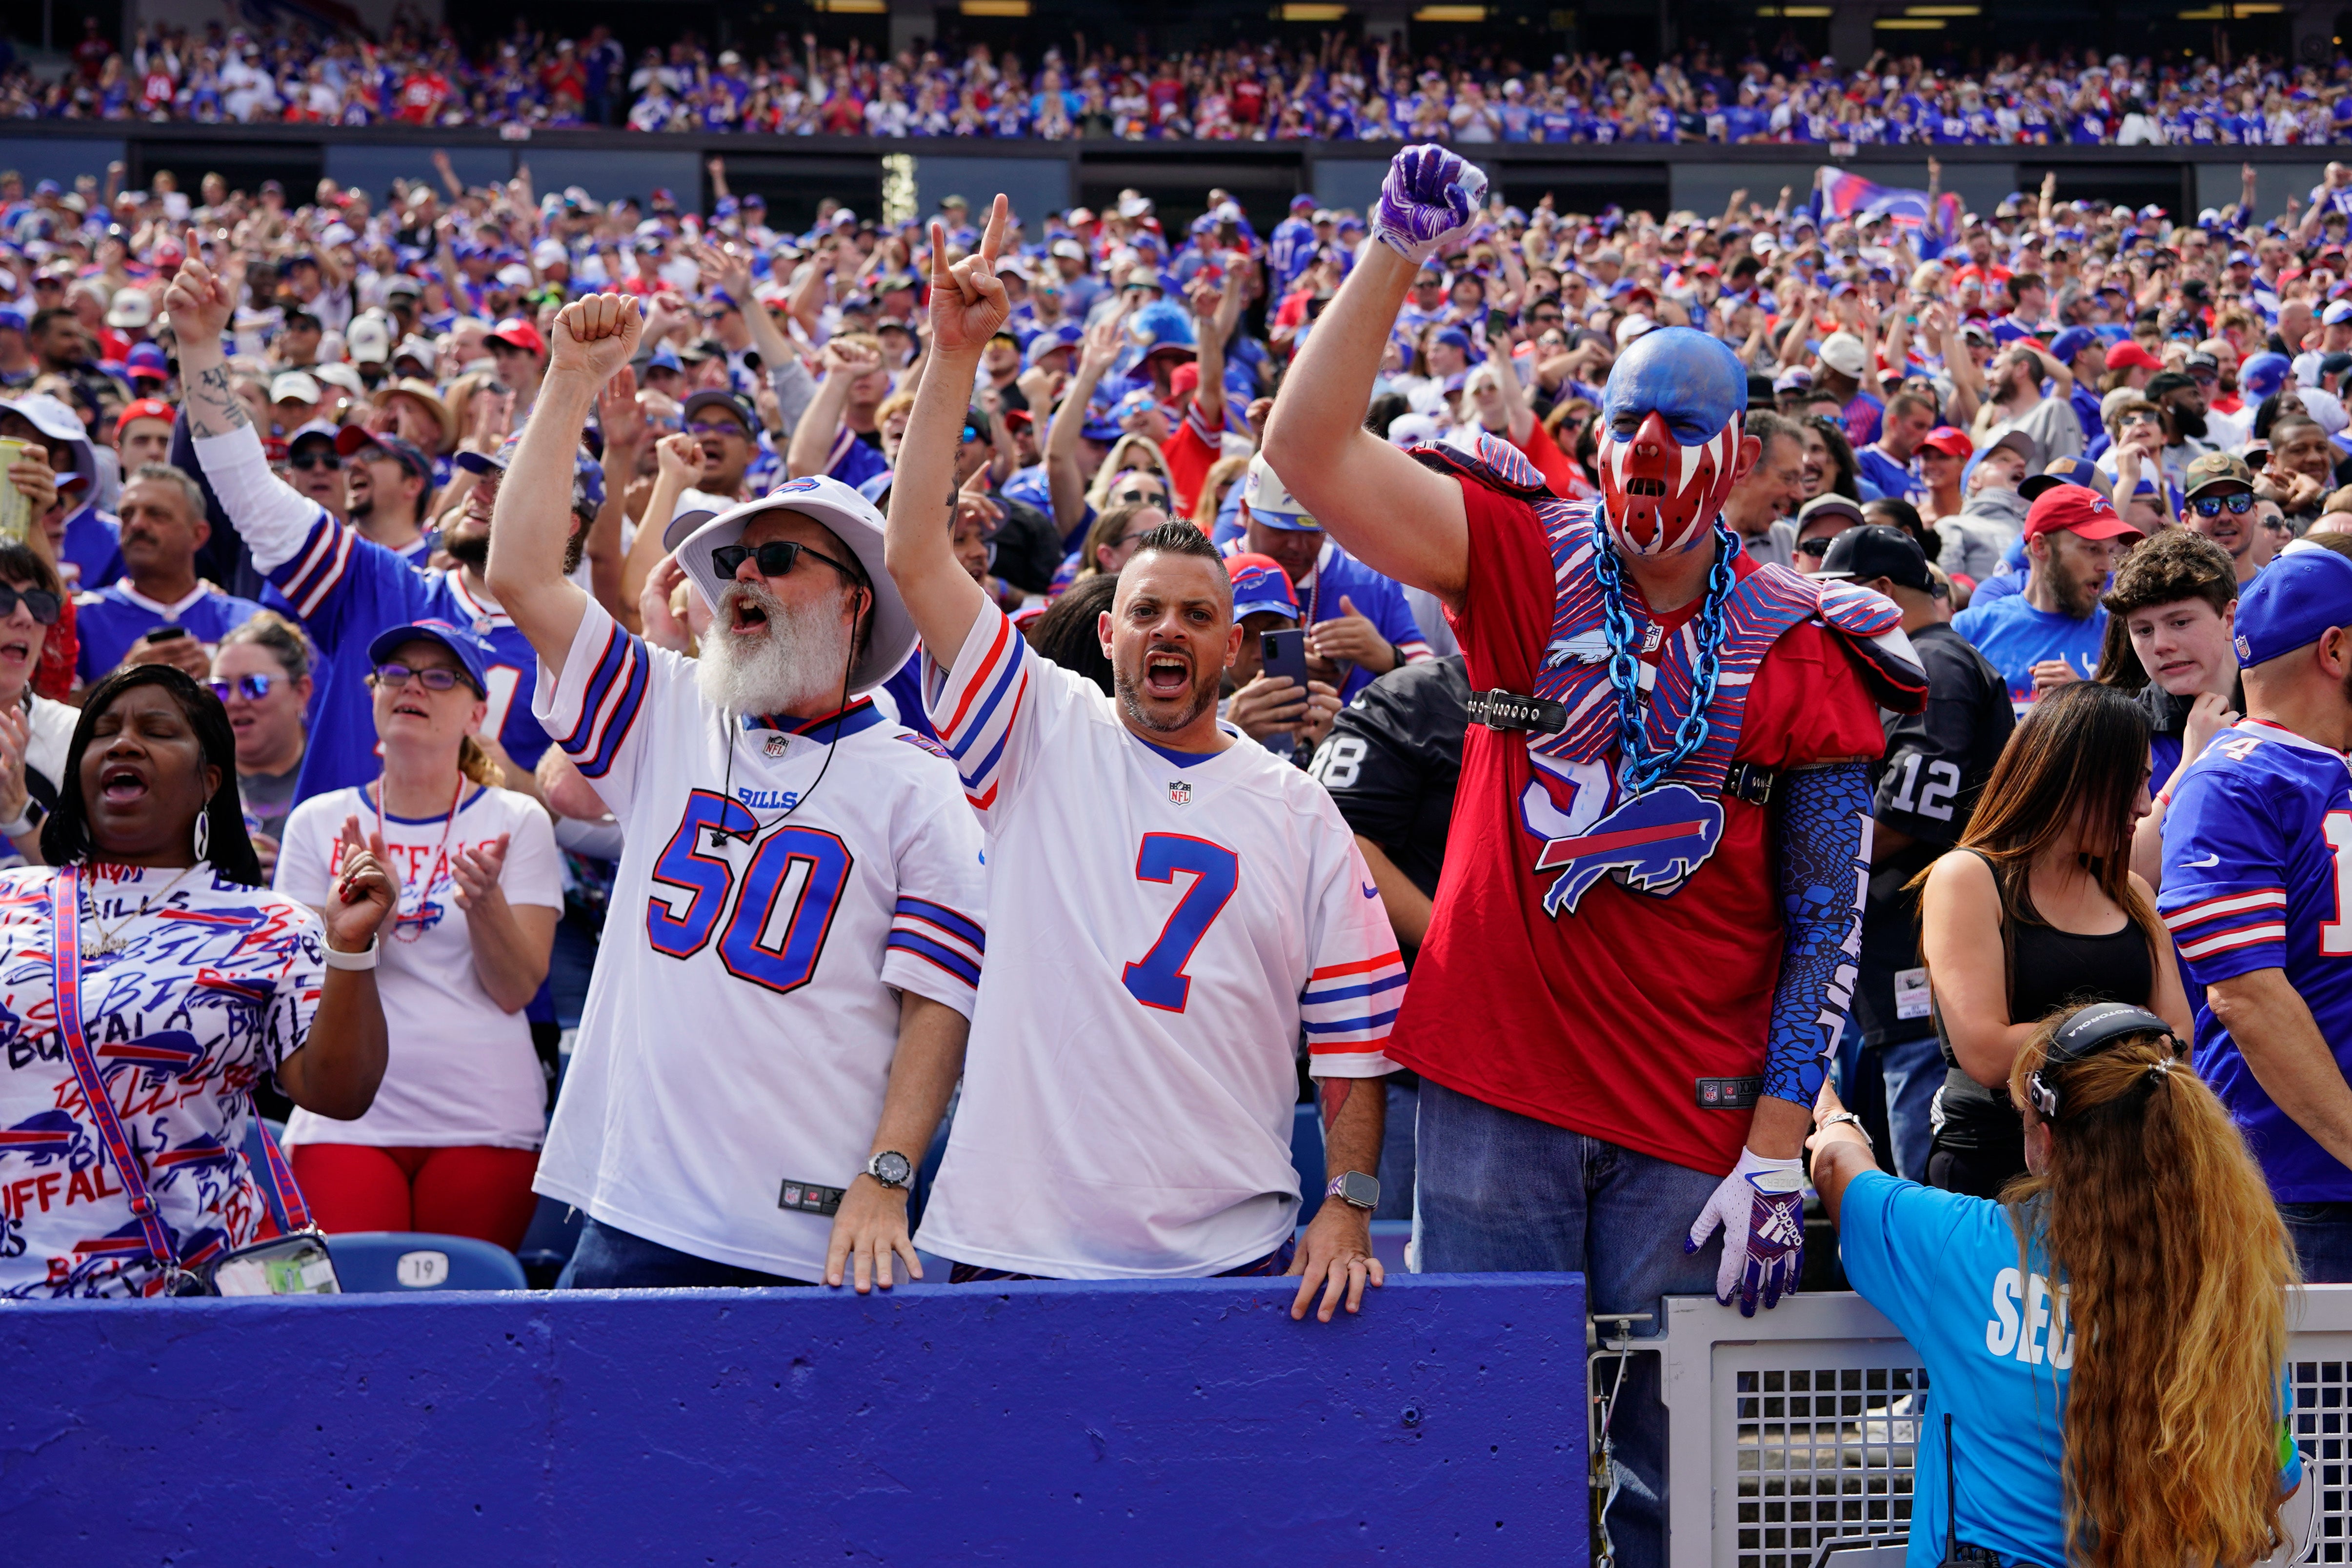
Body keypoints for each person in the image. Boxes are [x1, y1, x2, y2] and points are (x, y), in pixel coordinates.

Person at [1261, 145, 1925, 1566]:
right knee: (1482, 1450)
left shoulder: (1809, 640)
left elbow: (1825, 919)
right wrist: (1393, 251)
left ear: (1738, 456)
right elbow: (1305, 454)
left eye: (1681, 425)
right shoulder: (1519, 554)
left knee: (1674, 1481)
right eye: (1626, 418)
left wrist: (1773, 1146)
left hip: (1687, 1118)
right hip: (1497, 1092)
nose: (1647, 450)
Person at [885, 197, 1401, 1319]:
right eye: (1147, 611)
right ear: (1108, 632)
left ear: (1231, 643)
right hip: (1016, 1240)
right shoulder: (1036, 728)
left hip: (1230, 1253)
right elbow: (915, 551)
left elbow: (1355, 1031)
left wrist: (1349, 1202)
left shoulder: (1294, 806)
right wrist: (952, 357)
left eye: (1197, 615)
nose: (1169, 629)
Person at [483, 294, 989, 1294]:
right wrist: (569, 382)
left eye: (779, 558)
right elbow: (522, 576)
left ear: (855, 601)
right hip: (631, 1212)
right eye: (733, 559)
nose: (742, 575)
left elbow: (938, 1001)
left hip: (810, 1238)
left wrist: (889, 1175)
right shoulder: (670, 709)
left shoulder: (917, 782)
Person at [1808, 1002, 2302, 1568]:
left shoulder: (1965, 1247)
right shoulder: (2230, 1291)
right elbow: (2276, 1478)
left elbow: (1839, 1171)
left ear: (2044, 1142)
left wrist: (1830, 1110)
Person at [0, 664, 393, 1298]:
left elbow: (339, 1094)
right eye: (103, 732)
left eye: (157, 730)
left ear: (210, 779)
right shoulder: (8, 900)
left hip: (188, 1306)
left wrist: (349, 948)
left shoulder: (271, 924)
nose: (124, 743)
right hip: (13, 1310)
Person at [167, 243, 583, 805]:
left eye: (508, 484)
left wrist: (521, 786)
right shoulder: (381, 584)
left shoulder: (581, 646)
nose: (482, 491)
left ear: (567, 524)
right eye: (480, 474)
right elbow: (252, 493)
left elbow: (610, 824)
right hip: (336, 857)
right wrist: (200, 349)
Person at [274, 620, 562, 1251]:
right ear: (375, 694)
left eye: (439, 676)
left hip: (485, 1116)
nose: (413, 686)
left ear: (477, 713)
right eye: (396, 673)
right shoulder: (318, 821)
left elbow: (516, 990)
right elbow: (297, 993)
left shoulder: (518, 818)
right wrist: (357, 928)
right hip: (343, 1117)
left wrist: (485, 905)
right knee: (352, 1303)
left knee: (468, 1307)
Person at [1915, 681, 2191, 1197]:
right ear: (2073, 775)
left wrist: (2064, 1039)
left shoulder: (2131, 890)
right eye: (2132, 782)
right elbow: (1987, 1053)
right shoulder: (1968, 877)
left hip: (2125, 1169)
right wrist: (2131, 1027)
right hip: (1999, 1170)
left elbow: (2178, 1036)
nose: (2144, 806)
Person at [2158, 547, 2352, 1281]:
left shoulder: (2324, 768)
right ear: (2335, 648)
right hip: (2302, 1189)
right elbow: (2246, 995)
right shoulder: (2234, 782)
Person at [1817, 524, 2013, 1182]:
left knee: (1924, 1164)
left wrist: (1815, 870)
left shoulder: (1933, 663)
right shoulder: (1916, 660)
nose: (1827, 614)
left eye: (1839, 596)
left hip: (1924, 941)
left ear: (1880, 590)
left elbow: (1909, 812)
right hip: (1906, 940)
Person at [2090, 528, 2241, 887]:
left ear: (2229, 618)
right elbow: (2122, 876)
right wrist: (2192, 764)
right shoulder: (2118, 733)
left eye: (2180, 622)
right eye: (2143, 630)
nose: (2161, 645)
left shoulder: (2286, 702)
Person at [1951, 484, 2140, 713]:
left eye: (2110, 551)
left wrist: (2085, 699)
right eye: (2092, 549)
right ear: (2040, 547)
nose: (2107, 566)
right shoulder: (1969, 629)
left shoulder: (2125, 634)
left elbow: (2145, 726)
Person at [72, 463, 262, 685]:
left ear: (198, 535)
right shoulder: (81, 617)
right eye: (127, 514)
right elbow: (52, 707)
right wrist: (125, 678)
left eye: (157, 515)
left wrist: (220, 680)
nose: (137, 524)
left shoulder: (247, 622)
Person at [210, 612, 314, 867]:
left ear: (301, 692)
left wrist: (297, 876)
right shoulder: (192, 783)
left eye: (254, 685)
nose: (234, 701)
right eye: (220, 688)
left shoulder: (335, 779)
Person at [0, 540, 79, 865]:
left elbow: (99, 885)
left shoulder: (74, 735)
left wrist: (19, 810)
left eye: (39, 604)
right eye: (2, 598)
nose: (25, 618)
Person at [2180, 449, 2266, 586]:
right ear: (2187, 520)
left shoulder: (2278, 590)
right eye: (2209, 505)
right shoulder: (2174, 594)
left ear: (2255, 512)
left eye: (2238, 503)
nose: (2225, 517)